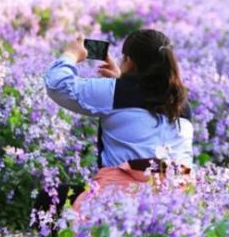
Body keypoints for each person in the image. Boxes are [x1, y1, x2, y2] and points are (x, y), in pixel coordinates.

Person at [42, 29, 193, 216]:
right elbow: (141, 104)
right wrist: (121, 80)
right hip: (175, 206)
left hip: (121, 202)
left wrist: (71, 54)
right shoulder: (182, 105)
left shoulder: (116, 92)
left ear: (129, 61)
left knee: (49, 197)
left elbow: (57, 84)